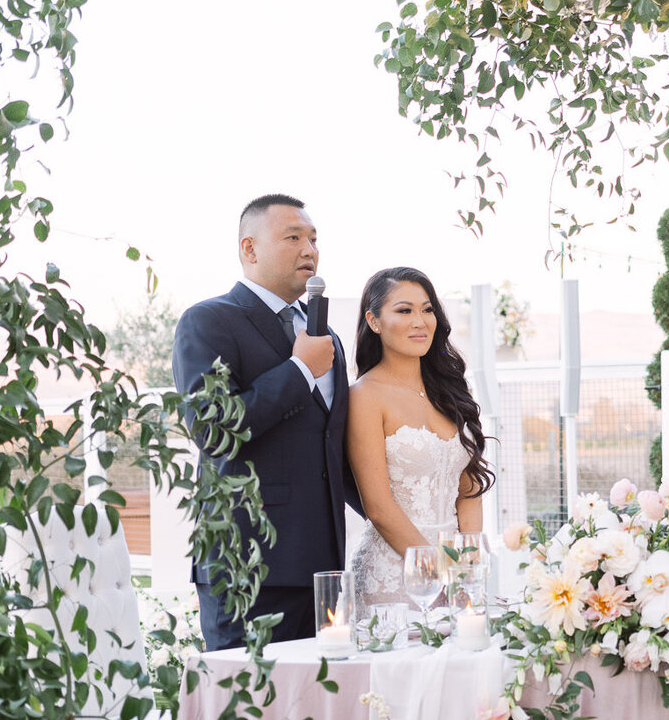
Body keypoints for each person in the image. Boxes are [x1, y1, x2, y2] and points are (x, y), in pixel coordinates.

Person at [172, 193, 359, 649]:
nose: (309, 249)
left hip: (326, 571)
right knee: (250, 712)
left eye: (314, 238)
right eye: (293, 237)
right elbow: (213, 430)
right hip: (249, 569)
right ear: (249, 249)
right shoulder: (208, 320)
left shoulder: (325, 335)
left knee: (323, 712)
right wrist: (297, 371)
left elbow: (332, 446)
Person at [345, 267, 493, 600]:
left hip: (456, 572)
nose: (420, 321)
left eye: (427, 309)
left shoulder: (450, 392)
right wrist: (437, 574)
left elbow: (469, 489)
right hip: (394, 574)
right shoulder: (363, 397)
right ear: (374, 321)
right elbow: (379, 507)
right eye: (404, 310)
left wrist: (467, 570)